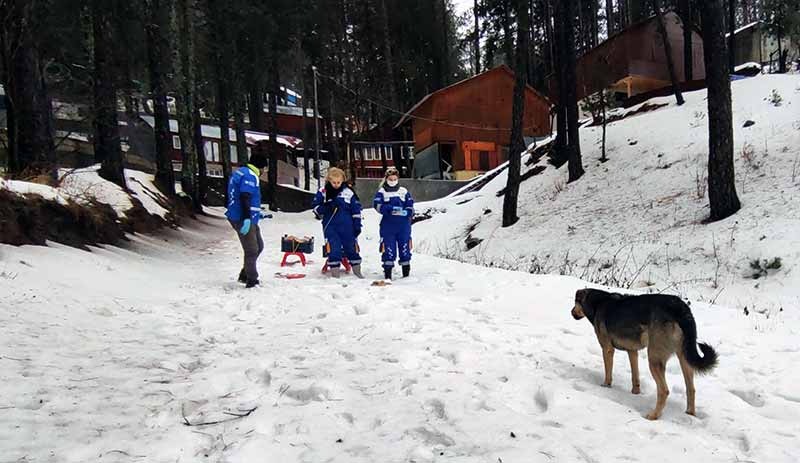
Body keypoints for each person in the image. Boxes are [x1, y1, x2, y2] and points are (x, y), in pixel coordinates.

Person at [225, 152, 269, 288]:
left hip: (248, 216)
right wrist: (246, 218)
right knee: (252, 250)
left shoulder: (241, 172)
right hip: (242, 218)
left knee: (259, 246)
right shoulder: (250, 176)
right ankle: (251, 279)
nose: (264, 172)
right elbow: (245, 196)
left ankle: (245, 273)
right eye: (265, 169)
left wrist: (257, 213)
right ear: (260, 167)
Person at [312, 167, 364, 278]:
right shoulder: (323, 192)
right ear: (329, 180)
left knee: (351, 247)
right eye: (333, 182)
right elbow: (315, 208)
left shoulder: (349, 192)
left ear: (343, 180)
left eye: (339, 182)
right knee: (333, 248)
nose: (336, 184)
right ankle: (335, 273)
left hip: (347, 226)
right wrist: (326, 207)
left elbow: (356, 209)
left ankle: (357, 271)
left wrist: (357, 224)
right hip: (330, 226)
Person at [373, 166, 414, 280]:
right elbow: (376, 205)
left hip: (403, 225)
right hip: (388, 226)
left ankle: (406, 274)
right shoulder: (382, 192)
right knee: (388, 249)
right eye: (390, 179)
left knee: (405, 247)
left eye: (394, 179)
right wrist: (389, 209)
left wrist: (408, 212)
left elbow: (410, 204)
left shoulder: (403, 191)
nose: (392, 181)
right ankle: (388, 274)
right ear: (386, 179)